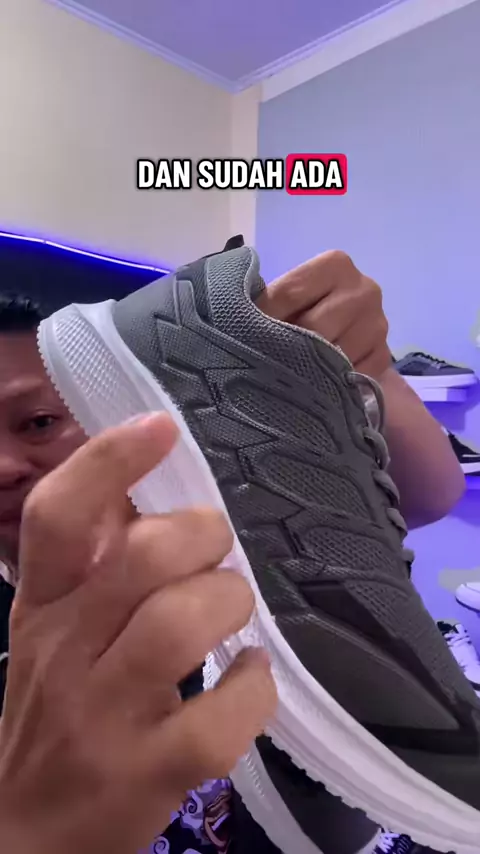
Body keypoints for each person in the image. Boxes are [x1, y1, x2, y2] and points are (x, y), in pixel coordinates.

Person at [0, 245, 465, 854]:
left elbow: (429, 496)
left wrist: (367, 368)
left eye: (37, 423)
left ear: (104, 403)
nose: (5, 467)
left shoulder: (230, 506)